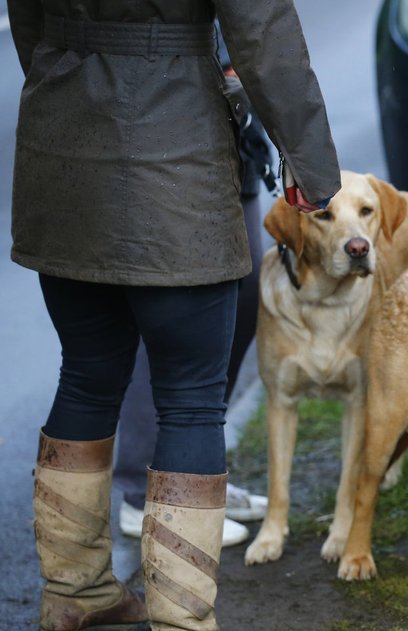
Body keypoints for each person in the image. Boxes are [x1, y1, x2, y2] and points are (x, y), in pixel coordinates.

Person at [9, 0, 341, 631]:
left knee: (87, 373)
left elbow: (26, 17)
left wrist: (67, 76)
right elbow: (262, 29)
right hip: (174, 150)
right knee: (191, 400)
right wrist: (312, 164)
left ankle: (76, 595)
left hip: (63, 138)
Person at [114, 29, 273, 549]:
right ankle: (146, 491)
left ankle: (198, 481)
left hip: (233, 118)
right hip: (176, 118)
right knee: (177, 310)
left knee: (239, 299)